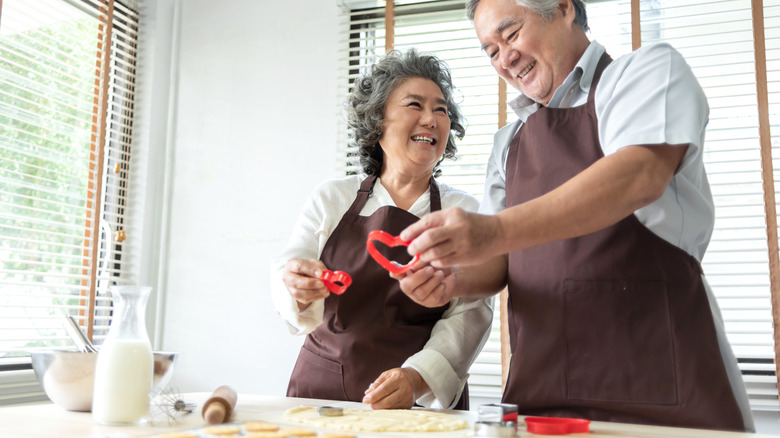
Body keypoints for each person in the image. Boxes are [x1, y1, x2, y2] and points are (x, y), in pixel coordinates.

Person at [392, 0, 755, 432]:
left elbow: (639, 174)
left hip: (661, 385)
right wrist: (454, 280)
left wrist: (493, 231)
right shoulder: (509, 144)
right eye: (490, 51)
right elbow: (500, 261)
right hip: (541, 394)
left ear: (563, 8)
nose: (505, 59)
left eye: (510, 35)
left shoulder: (646, 73)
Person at [270, 49, 492, 410]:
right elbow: (290, 265)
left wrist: (417, 377)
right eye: (414, 105)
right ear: (378, 120)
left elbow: (471, 311)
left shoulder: (463, 211)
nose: (431, 119)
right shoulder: (332, 198)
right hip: (322, 395)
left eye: (441, 109)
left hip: (419, 401)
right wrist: (296, 284)